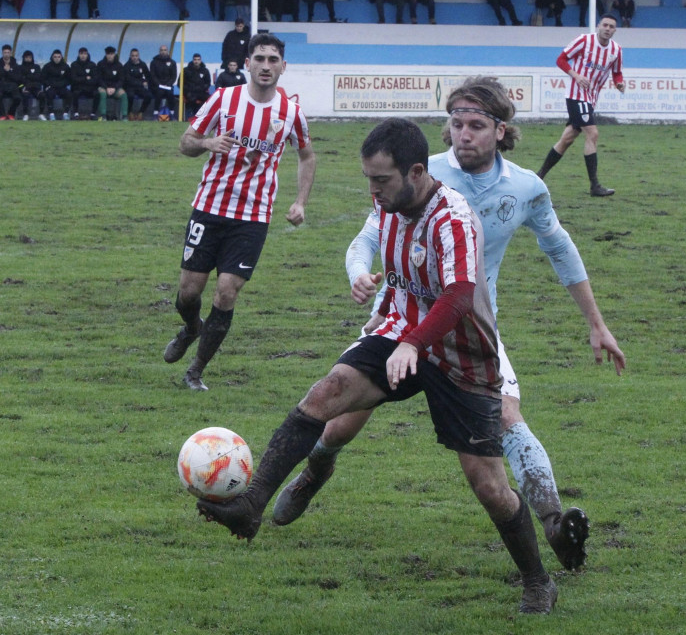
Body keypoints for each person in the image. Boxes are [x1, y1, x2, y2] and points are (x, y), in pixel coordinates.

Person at [195, 117, 558, 615]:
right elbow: (390, 261)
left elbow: (458, 296)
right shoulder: (388, 203)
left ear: (414, 172)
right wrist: (377, 298)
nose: (373, 190)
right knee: (325, 395)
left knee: (491, 489)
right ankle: (251, 506)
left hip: (460, 358)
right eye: (369, 178)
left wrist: (414, 343)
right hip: (394, 332)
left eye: (381, 180)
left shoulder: (453, 215)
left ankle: (538, 581)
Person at [272, 78, 626, 573]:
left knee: (507, 417)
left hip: (471, 329)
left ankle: (553, 522)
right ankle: (315, 470)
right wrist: (360, 276)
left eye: (477, 125)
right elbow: (366, 238)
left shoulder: (526, 187)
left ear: (501, 131)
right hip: (401, 318)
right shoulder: (416, 171)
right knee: (342, 421)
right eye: (457, 123)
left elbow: (561, 251)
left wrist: (597, 324)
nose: (464, 134)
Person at [163, 33, 316, 391]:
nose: (266, 66)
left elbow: (307, 155)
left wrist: (300, 202)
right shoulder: (224, 99)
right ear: (247, 63)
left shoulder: (291, 112)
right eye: (259, 58)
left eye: (273, 59)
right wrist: (206, 143)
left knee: (227, 292)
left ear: (283, 66)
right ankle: (191, 328)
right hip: (209, 208)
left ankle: (195, 371)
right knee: (188, 292)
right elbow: (186, 142)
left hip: (253, 216)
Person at [536, 13, 624, 197]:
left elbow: (616, 73)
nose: (607, 29)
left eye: (611, 27)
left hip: (591, 99)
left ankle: (538, 178)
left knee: (567, 139)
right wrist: (576, 75)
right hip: (576, 95)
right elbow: (561, 59)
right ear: (599, 26)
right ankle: (595, 186)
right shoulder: (584, 41)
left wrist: (619, 83)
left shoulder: (616, 50)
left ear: (615, 30)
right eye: (605, 25)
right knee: (592, 133)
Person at [40, 49, 71, 120]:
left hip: (62, 87)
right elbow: (43, 78)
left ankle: (66, 113)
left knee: (69, 94)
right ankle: (51, 114)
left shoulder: (65, 66)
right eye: (55, 57)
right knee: (49, 94)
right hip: (51, 87)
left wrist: (63, 84)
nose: (57, 59)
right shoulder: (47, 66)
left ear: (61, 57)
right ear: (52, 57)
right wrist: (49, 85)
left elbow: (69, 79)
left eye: (58, 57)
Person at [97, 46, 126, 121]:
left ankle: (124, 116)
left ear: (114, 54)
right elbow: (99, 79)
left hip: (115, 88)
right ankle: (103, 116)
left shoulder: (119, 65)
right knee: (102, 94)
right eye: (108, 54)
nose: (110, 56)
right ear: (106, 54)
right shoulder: (100, 64)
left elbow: (121, 79)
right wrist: (106, 87)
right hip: (104, 87)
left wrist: (115, 88)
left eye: (111, 54)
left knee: (123, 95)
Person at [123, 48, 153, 121]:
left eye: (136, 56)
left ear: (138, 56)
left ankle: (141, 112)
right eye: (133, 56)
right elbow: (128, 79)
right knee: (130, 96)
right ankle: (129, 112)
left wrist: (145, 81)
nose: (134, 57)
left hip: (140, 87)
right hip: (130, 87)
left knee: (149, 95)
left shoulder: (142, 64)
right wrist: (141, 82)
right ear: (130, 56)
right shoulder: (127, 66)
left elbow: (148, 76)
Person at [149, 45, 178, 117]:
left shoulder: (172, 62)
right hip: (157, 86)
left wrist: (168, 84)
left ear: (167, 51)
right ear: (159, 52)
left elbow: (173, 76)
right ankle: (155, 112)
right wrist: (159, 84)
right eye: (161, 50)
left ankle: (172, 112)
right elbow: (153, 76)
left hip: (168, 86)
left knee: (170, 93)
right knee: (159, 93)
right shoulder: (154, 62)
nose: (163, 52)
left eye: (165, 50)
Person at [70, 47, 99, 119]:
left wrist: (82, 79)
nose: (83, 56)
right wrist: (85, 78)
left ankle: (93, 113)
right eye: (81, 54)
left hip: (89, 88)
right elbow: (74, 79)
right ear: (78, 55)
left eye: (85, 54)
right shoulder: (74, 65)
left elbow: (95, 79)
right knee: (75, 93)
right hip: (78, 88)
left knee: (97, 94)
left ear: (87, 55)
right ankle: (76, 113)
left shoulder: (92, 65)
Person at [181, 53, 212, 119]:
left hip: (201, 92)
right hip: (189, 92)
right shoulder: (185, 70)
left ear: (200, 61)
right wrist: (187, 90)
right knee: (191, 98)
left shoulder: (205, 71)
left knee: (209, 98)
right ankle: (189, 118)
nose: (196, 61)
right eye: (195, 59)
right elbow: (180, 83)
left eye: (198, 59)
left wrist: (201, 88)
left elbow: (208, 83)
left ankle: (205, 118)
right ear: (192, 60)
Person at [18, 51, 44, 119]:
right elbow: (20, 79)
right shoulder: (20, 67)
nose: (28, 59)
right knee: (25, 95)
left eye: (30, 57)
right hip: (26, 87)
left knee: (42, 95)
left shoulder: (37, 67)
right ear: (23, 58)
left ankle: (41, 114)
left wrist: (27, 76)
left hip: (36, 87)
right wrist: (30, 78)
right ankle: (25, 114)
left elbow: (38, 77)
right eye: (26, 57)